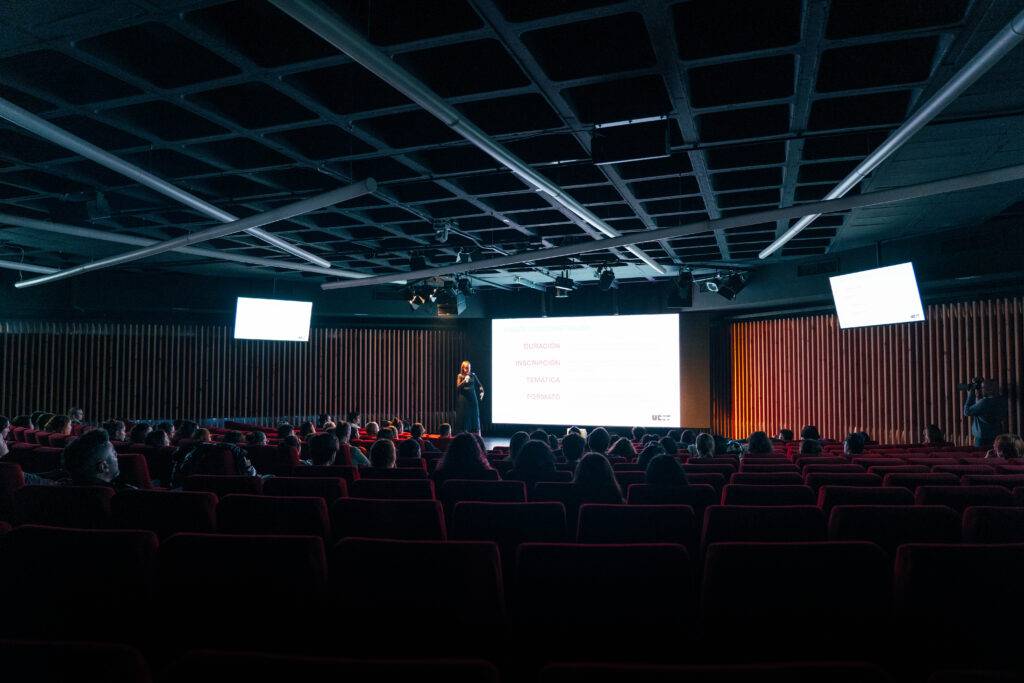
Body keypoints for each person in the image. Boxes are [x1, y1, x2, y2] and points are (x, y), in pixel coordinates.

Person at [59, 428, 126, 488]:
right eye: (114, 453)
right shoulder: (125, 494)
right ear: (103, 467)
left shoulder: (56, 488)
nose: (117, 455)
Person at [963, 379, 1008, 448]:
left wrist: (971, 393)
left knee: (981, 456)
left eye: (983, 387)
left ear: (989, 389)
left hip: (982, 437)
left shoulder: (984, 402)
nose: (982, 389)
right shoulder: (1002, 400)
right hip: (997, 434)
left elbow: (966, 412)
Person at [454, 360, 485, 435]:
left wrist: (482, 392)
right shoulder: (460, 376)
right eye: (466, 368)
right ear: (462, 368)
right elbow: (458, 387)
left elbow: (479, 385)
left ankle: (477, 435)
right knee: (464, 417)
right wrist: (464, 380)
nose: (468, 370)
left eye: (469, 368)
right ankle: (463, 435)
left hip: (473, 399)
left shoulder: (473, 375)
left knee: (475, 416)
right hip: (463, 400)